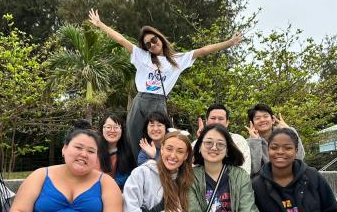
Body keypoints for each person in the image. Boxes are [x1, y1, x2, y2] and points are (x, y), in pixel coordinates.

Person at [88, 9, 242, 159]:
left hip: (158, 101)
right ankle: (137, 169)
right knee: (133, 137)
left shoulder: (177, 59)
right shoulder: (143, 56)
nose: (152, 45)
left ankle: (160, 167)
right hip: (141, 99)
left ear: (160, 38)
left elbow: (204, 50)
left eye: (154, 40)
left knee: (160, 138)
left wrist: (229, 42)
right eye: (148, 44)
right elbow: (121, 40)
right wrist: (100, 24)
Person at [246, 103, 305, 178]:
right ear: (252, 124)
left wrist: (290, 132)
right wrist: (255, 141)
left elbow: (299, 157)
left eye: (265, 116)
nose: (262, 120)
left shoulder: (285, 135)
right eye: (257, 118)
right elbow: (254, 169)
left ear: (273, 120)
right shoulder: (248, 143)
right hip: (263, 184)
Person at [194, 104, 251, 174]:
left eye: (221, 119)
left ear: (227, 123)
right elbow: (191, 169)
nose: (216, 122)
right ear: (206, 121)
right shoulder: (196, 143)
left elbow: (245, 170)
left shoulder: (238, 140)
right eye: (213, 118)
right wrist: (201, 140)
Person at [96, 113, 136, 189]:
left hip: (114, 192)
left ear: (122, 130)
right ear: (102, 129)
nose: (112, 130)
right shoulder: (93, 150)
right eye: (108, 127)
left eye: (116, 127)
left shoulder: (126, 152)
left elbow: (124, 178)